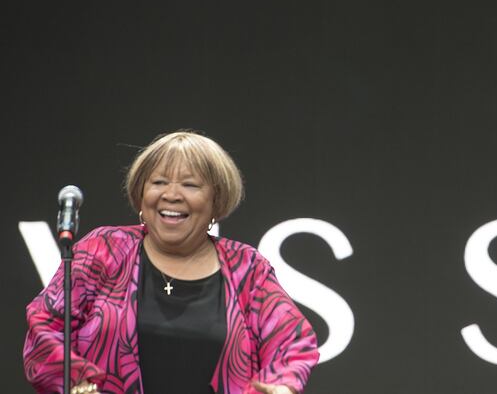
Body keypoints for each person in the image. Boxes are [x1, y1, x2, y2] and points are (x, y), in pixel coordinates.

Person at [24, 131, 319, 394]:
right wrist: (80, 386)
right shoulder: (105, 250)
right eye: (159, 182)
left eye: (190, 185)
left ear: (216, 202)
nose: (171, 195)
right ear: (141, 196)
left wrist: (281, 386)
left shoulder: (247, 269)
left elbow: (292, 342)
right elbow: (46, 324)